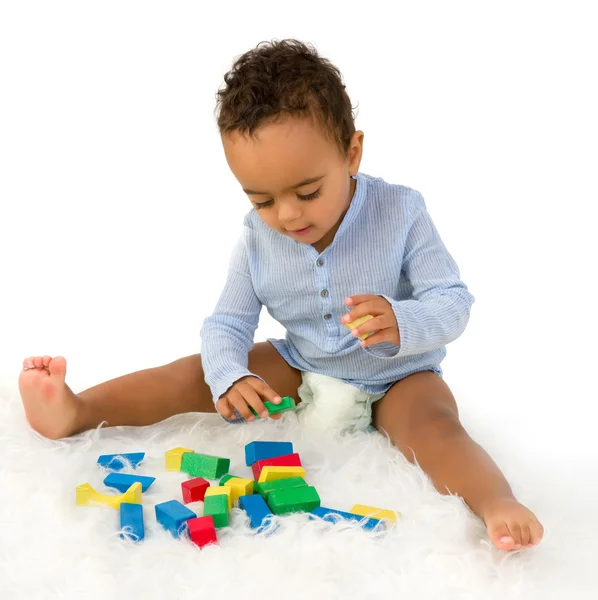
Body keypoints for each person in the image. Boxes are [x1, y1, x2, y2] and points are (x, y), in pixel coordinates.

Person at [18, 39, 543, 551]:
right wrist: (231, 375)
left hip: (400, 374)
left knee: (435, 428)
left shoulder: (401, 213)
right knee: (190, 372)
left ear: (352, 153)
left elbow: (453, 300)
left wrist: (404, 322)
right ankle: (78, 410)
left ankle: (497, 502)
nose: (288, 216)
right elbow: (226, 323)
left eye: (308, 192)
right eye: (262, 199)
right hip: (302, 363)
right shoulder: (256, 236)